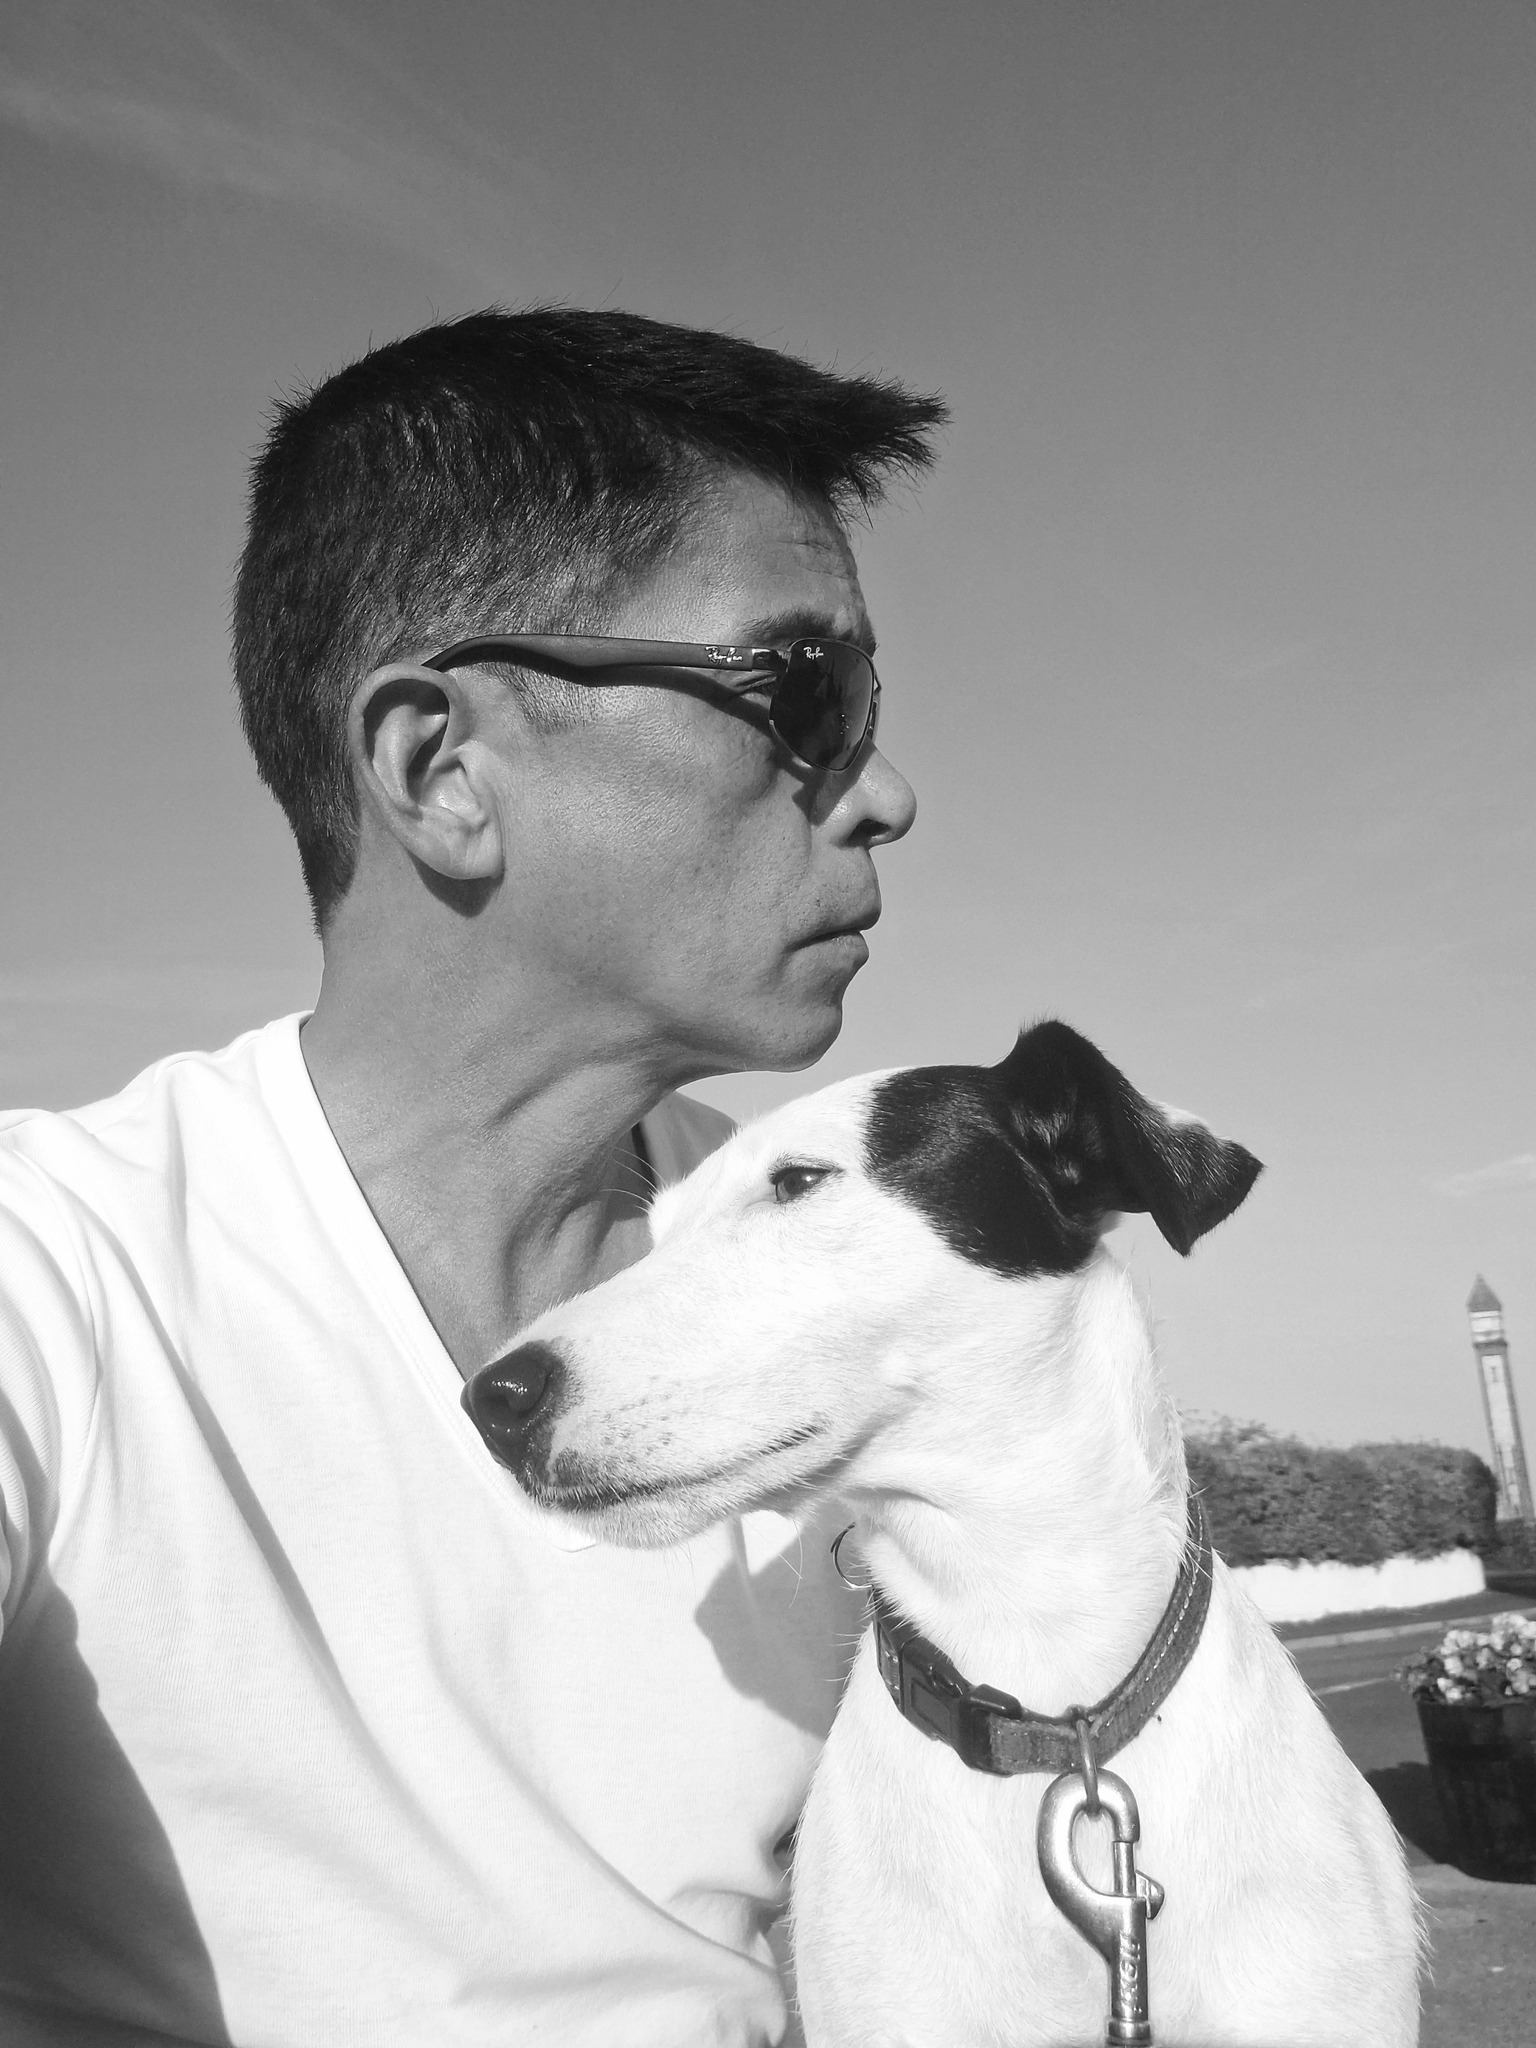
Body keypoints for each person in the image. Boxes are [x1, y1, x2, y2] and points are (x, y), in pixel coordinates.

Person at [0, 309, 945, 2045]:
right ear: (440, 770)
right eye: (802, 692)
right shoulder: (48, 1281)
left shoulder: (848, 1280)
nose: (881, 792)